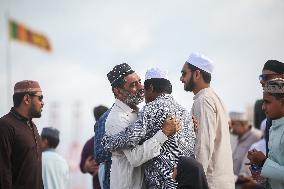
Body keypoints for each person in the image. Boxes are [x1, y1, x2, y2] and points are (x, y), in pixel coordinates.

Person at [103, 67, 196, 189]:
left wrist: (108, 142)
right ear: (118, 91)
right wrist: (163, 133)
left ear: (151, 87)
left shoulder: (149, 109)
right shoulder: (184, 113)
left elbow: (131, 137)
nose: (141, 88)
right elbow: (135, 158)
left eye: (140, 83)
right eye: (133, 85)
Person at [180, 52, 234, 189]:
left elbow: (204, 143)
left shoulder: (203, 100)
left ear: (197, 74)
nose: (181, 78)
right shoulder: (213, 97)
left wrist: (194, 180)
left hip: (209, 182)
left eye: (184, 73)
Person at [0, 80, 44, 189]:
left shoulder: (32, 126)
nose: (42, 103)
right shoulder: (5, 126)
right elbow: (3, 172)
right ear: (27, 99)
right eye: (40, 98)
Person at [247, 78, 284, 189]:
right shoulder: (274, 127)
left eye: (267, 102)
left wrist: (263, 162)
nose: (263, 107)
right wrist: (258, 168)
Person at [259, 60, 284, 156]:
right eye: (261, 77)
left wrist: (263, 163)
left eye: (266, 77)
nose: (261, 81)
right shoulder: (271, 117)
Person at [229, 112, 262, 185]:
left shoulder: (257, 136)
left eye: (233, 123)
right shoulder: (236, 138)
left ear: (243, 124)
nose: (230, 126)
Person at [79, 105, 108, 189]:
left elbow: (82, 166)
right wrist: (86, 167)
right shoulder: (117, 138)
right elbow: (82, 167)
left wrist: (85, 167)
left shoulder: (90, 143)